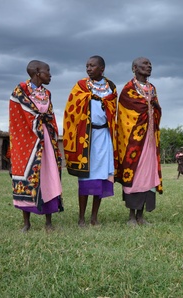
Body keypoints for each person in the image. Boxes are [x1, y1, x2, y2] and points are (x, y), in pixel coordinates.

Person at [9, 60, 63, 232]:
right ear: (37, 72)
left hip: (46, 140)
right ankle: (27, 223)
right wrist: (40, 121)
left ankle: (49, 222)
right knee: (28, 178)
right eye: (48, 71)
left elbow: (50, 115)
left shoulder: (47, 93)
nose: (50, 74)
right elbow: (19, 117)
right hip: (27, 142)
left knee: (49, 176)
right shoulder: (20, 91)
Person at [63, 55, 117, 227]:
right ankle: (81, 218)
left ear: (102, 69)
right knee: (85, 178)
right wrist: (89, 98)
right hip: (86, 137)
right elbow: (70, 110)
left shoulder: (112, 87)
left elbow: (114, 110)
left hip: (104, 136)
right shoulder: (80, 86)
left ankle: (94, 218)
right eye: (87, 66)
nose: (88, 69)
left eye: (92, 66)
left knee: (100, 177)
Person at [115, 57, 162, 225]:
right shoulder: (128, 89)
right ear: (134, 68)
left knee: (147, 175)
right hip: (133, 141)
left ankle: (141, 216)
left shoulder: (152, 88)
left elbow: (156, 109)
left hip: (149, 140)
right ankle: (131, 216)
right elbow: (124, 115)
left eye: (150, 64)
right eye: (144, 64)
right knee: (134, 175)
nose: (148, 66)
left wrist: (153, 109)